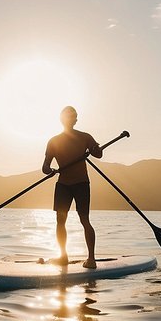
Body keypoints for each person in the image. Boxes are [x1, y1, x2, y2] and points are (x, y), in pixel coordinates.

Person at [42, 106, 103, 267]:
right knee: (60, 221)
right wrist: (52, 171)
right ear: (62, 120)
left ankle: (91, 259)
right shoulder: (54, 141)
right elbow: (45, 167)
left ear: (75, 120)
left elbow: (98, 154)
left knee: (84, 219)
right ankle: (63, 257)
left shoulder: (85, 137)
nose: (70, 120)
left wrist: (95, 148)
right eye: (68, 117)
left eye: (72, 117)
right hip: (63, 185)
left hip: (81, 184)